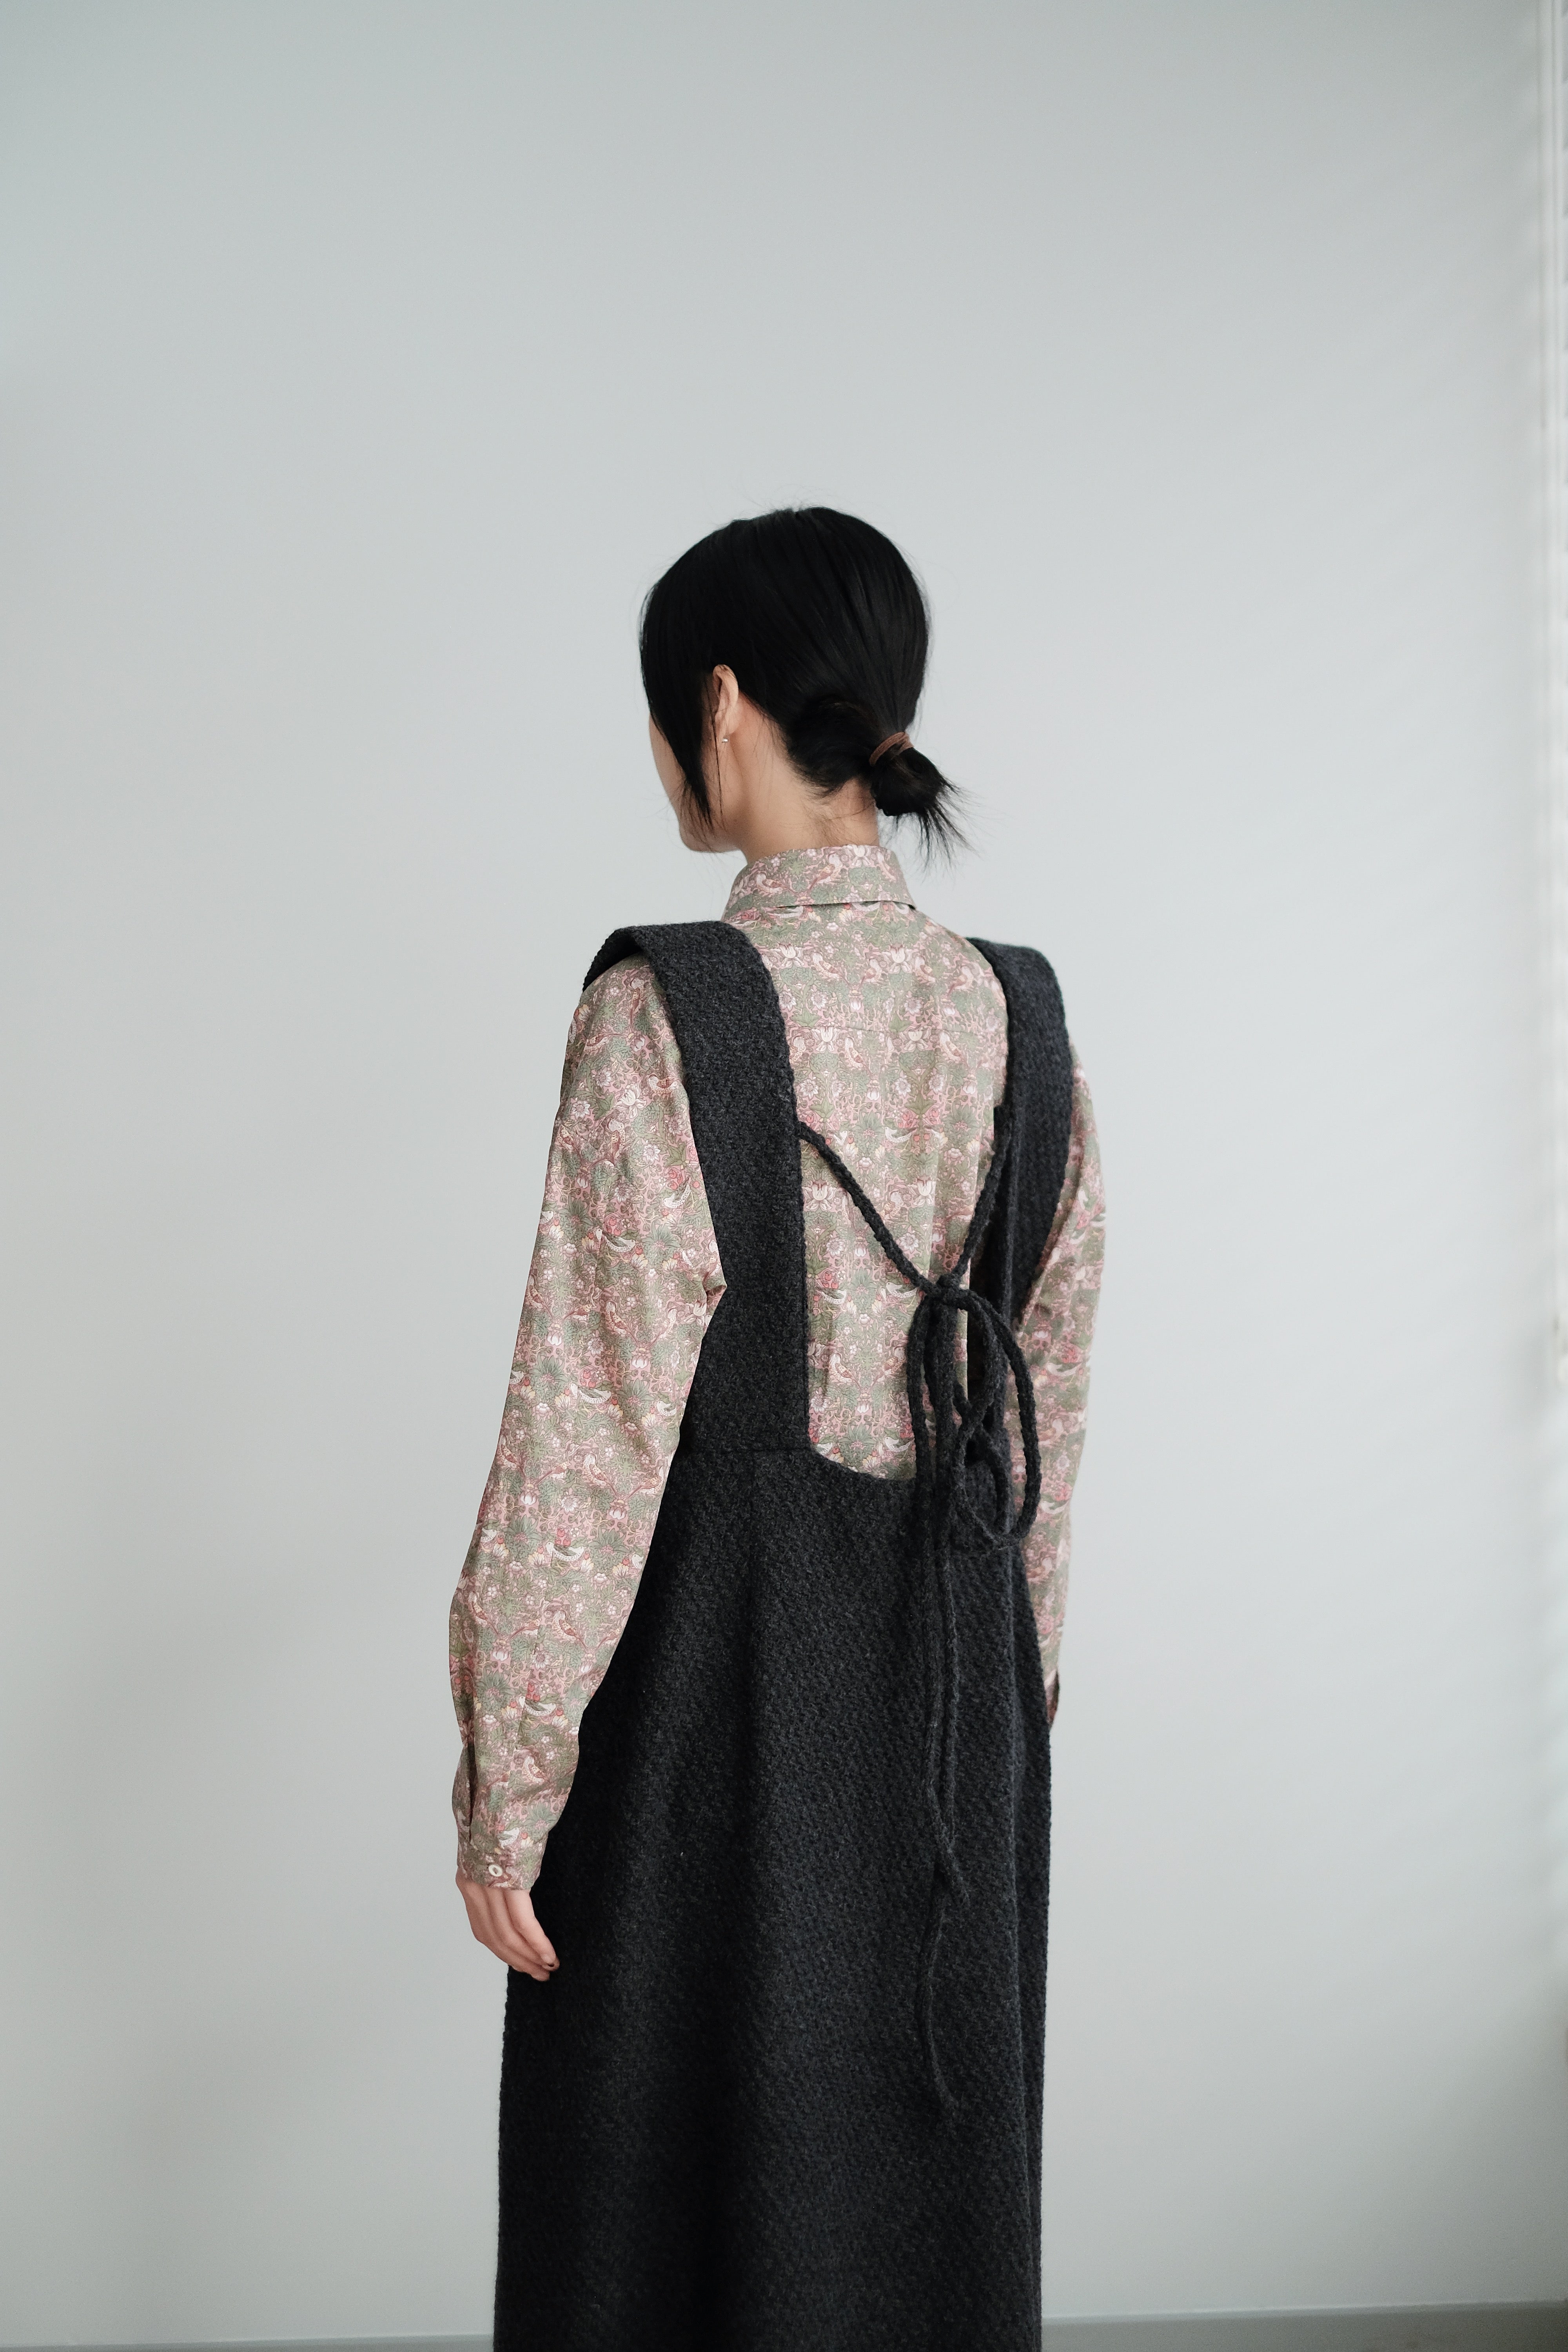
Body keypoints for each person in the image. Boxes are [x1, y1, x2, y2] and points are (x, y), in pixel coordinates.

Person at [448, 506, 1104, 2350]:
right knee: (915, 2219)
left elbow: (585, 1430)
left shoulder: (665, 1014)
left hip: (708, 1724)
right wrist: (1016, 1705)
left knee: (653, 2227)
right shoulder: (1018, 1020)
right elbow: (1046, 1408)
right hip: (955, 1724)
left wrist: (510, 1778)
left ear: (721, 706)